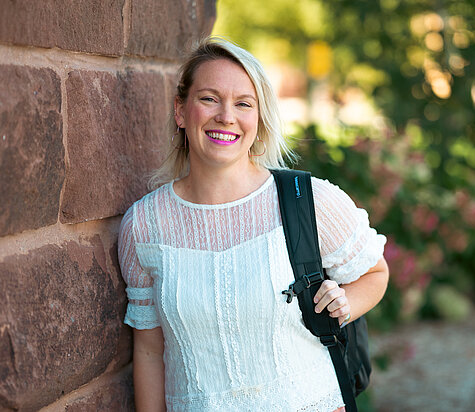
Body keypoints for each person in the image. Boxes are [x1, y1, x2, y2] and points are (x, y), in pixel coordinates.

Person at [118, 36, 389, 412]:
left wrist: (345, 302)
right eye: (209, 98)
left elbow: (376, 273)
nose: (226, 116)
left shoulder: (307, 200)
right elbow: (149, 349)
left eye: (243, 103)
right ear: (181, 110)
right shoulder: (144, 225)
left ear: (259, 120)